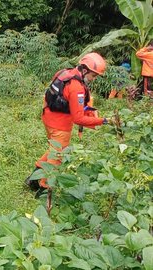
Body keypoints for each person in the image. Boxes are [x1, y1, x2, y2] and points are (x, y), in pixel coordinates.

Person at [25, 52, 112, 195]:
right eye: (93, 75)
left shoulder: (65, 73)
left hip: (48, 117)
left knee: (54, 150)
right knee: (57, 157)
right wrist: (104, 120)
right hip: (60, 125)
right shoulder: (77, 87)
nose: (94, 79)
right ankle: (44, 190)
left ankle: (32, 180)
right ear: (84, 70)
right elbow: (78, 119)